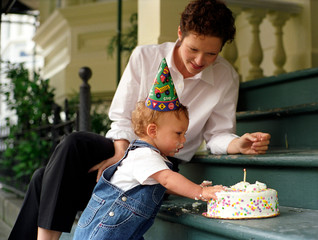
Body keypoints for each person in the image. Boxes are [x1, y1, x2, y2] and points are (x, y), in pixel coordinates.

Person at [8, 0, 270, 239]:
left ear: (221, 48)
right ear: (180, 34)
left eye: (211, 54)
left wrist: (238, 144)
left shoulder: (226, 77)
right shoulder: (145, 57)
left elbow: (217, 135)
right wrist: (120, 156)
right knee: (73, 143)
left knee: (44, 178)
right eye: (193, 49)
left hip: (163, 160)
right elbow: (121, 117)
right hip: (123, 146)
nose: (200, 60)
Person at [73, 61, 225, 239]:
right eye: (178, 133)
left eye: (184, 133)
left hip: (125, 230)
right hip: (104, 232)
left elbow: (162, 184)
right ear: (153, 131)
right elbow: (167, 179)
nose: (183, 139)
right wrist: (200, 193)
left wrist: (193, 188)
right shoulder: (144, 155)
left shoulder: (150, 157)